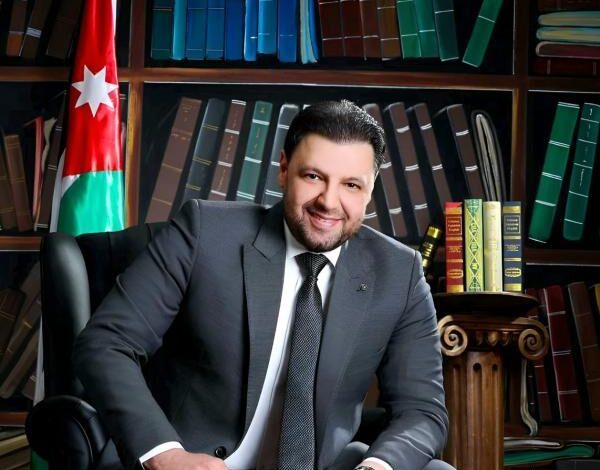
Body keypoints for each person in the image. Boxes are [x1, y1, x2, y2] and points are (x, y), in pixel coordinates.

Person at [74, 100, 454, 470]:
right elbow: (107, 343)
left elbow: (422, 409)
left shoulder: (399, 272)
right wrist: (164, 455)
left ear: (370, 191)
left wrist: (377, 467)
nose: (329, 202)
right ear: (284, 169)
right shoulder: (204, 233)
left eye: (351, 185)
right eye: (313, 177)